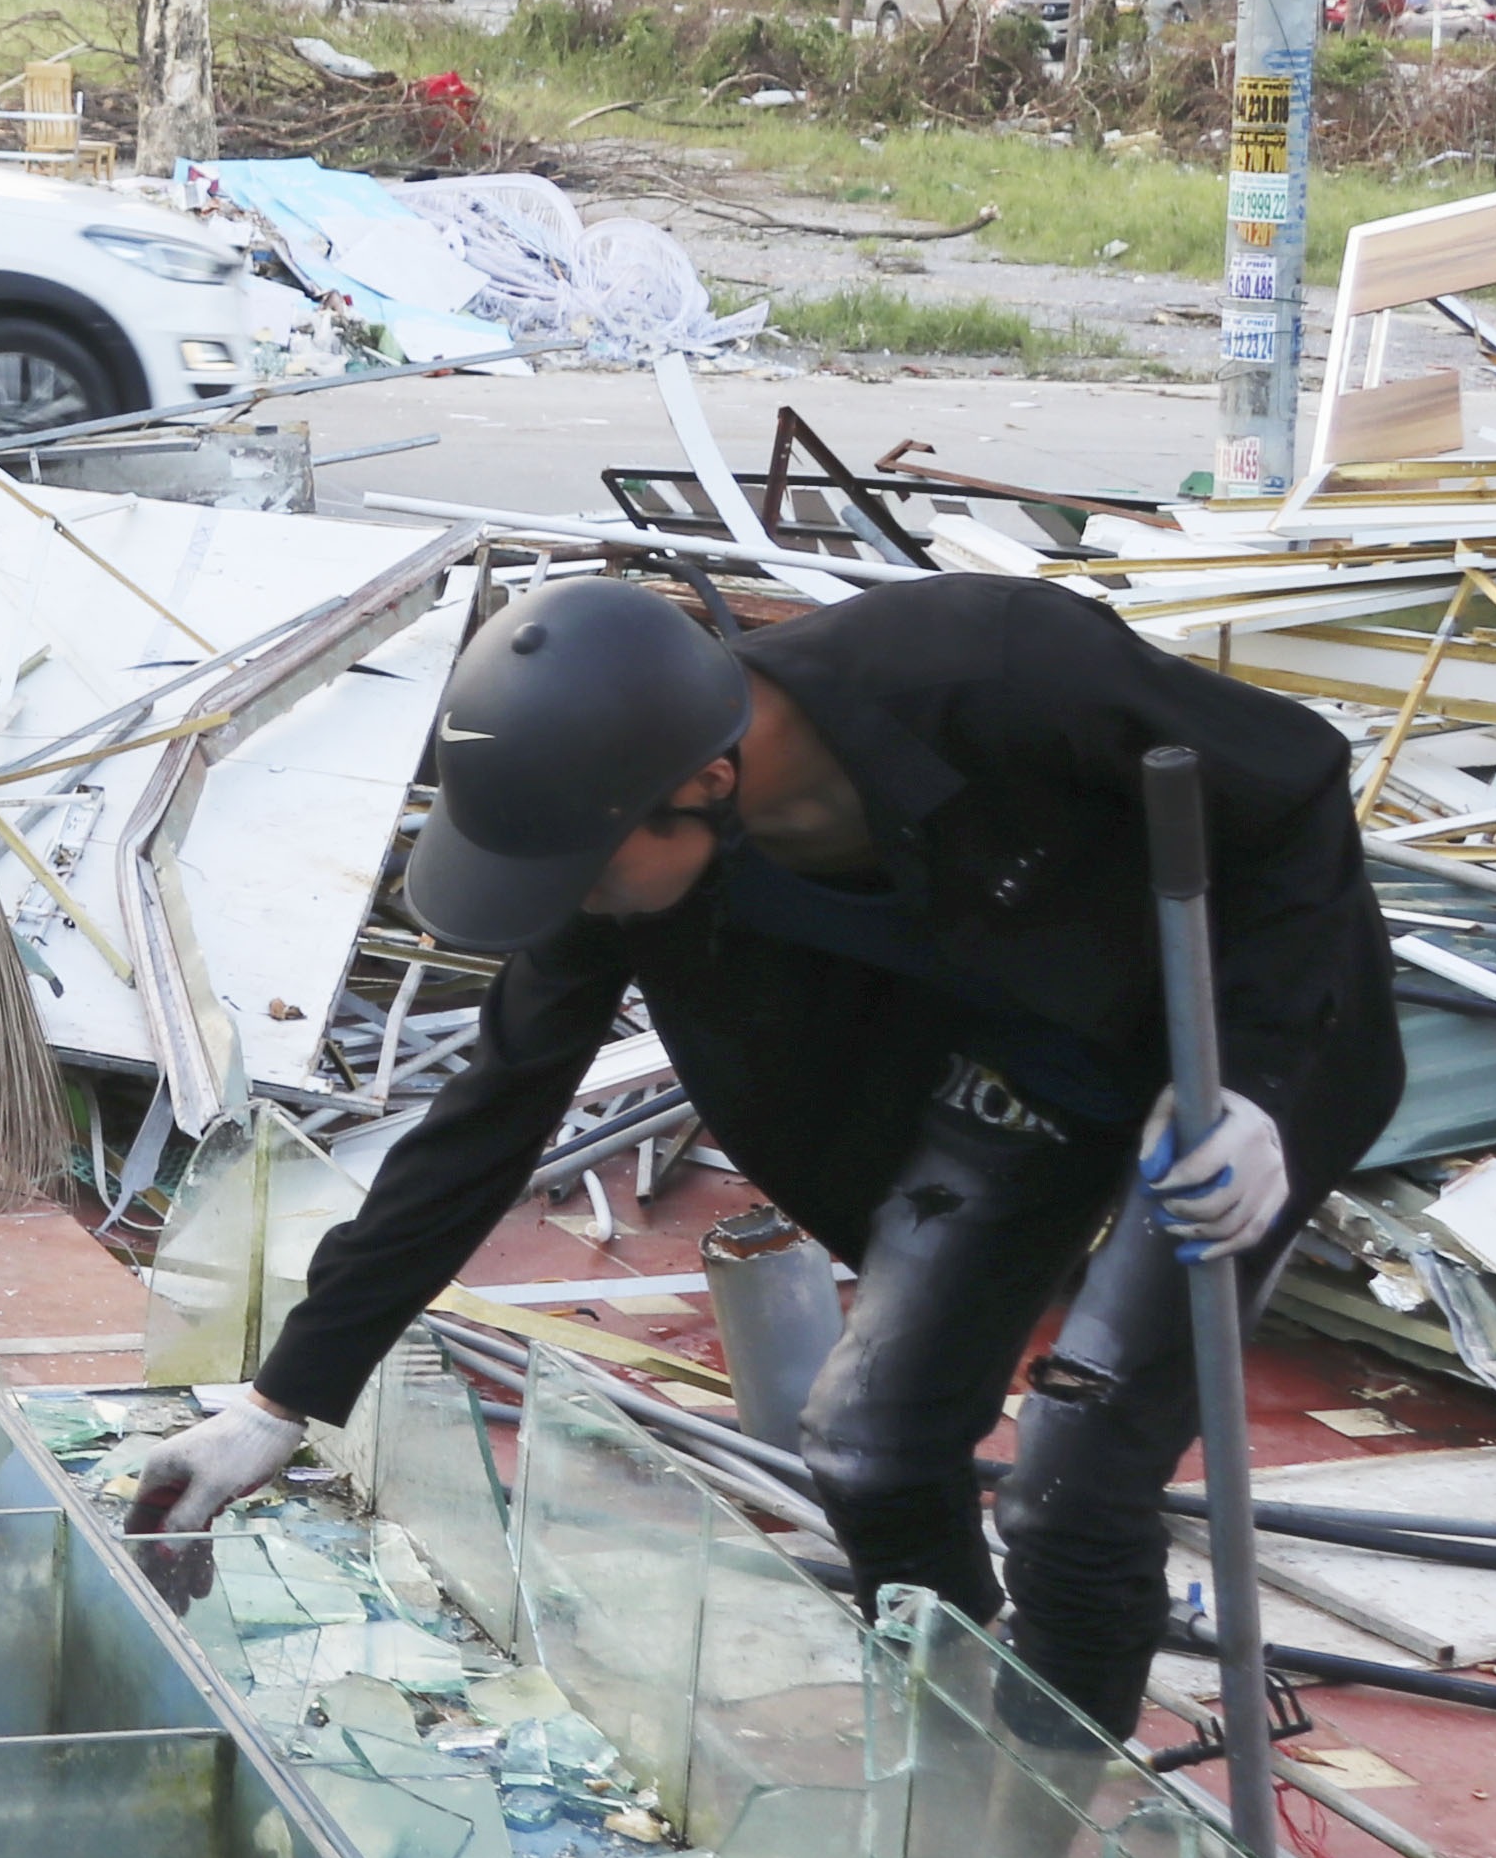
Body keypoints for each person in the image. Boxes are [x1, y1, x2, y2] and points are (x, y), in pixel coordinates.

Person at [125, 575, 1400, 1751]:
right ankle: (956, 1755)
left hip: (1226, 1060)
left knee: (1072, 1490)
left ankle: (1045, 1807)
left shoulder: (1003, 669)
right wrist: (285, 1400)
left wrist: (1265, 1083)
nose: (582, 901)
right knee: (867, 1446)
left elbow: (1293, 787)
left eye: (587, 871)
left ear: (713, 777)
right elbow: (492, 1109)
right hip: (1018, 1078)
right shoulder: (621, 838)